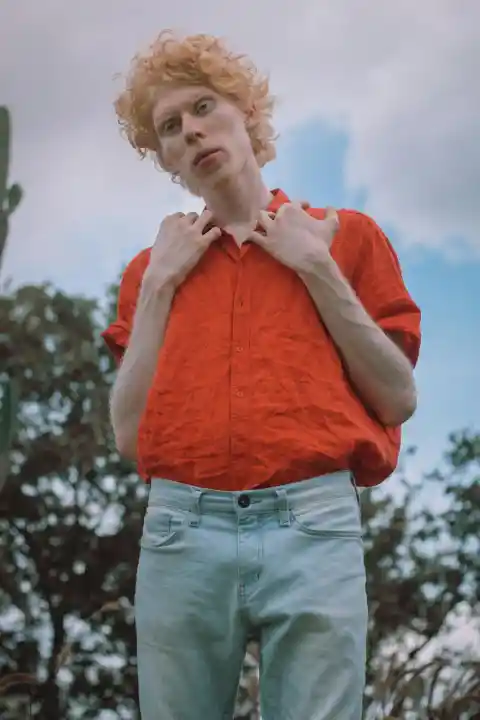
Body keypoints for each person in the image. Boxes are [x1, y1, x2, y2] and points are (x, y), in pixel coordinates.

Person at [102, 30, 421, 720]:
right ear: (167, 160)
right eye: (169, 128)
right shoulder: (150, 270)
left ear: (245, 112)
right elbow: (129, 437)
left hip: (315, 525)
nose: (191, 130)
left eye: (203, 107)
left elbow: (397, 397)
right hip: (181, 532)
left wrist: (316, 265)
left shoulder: (345, 236)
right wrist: (158, 285)